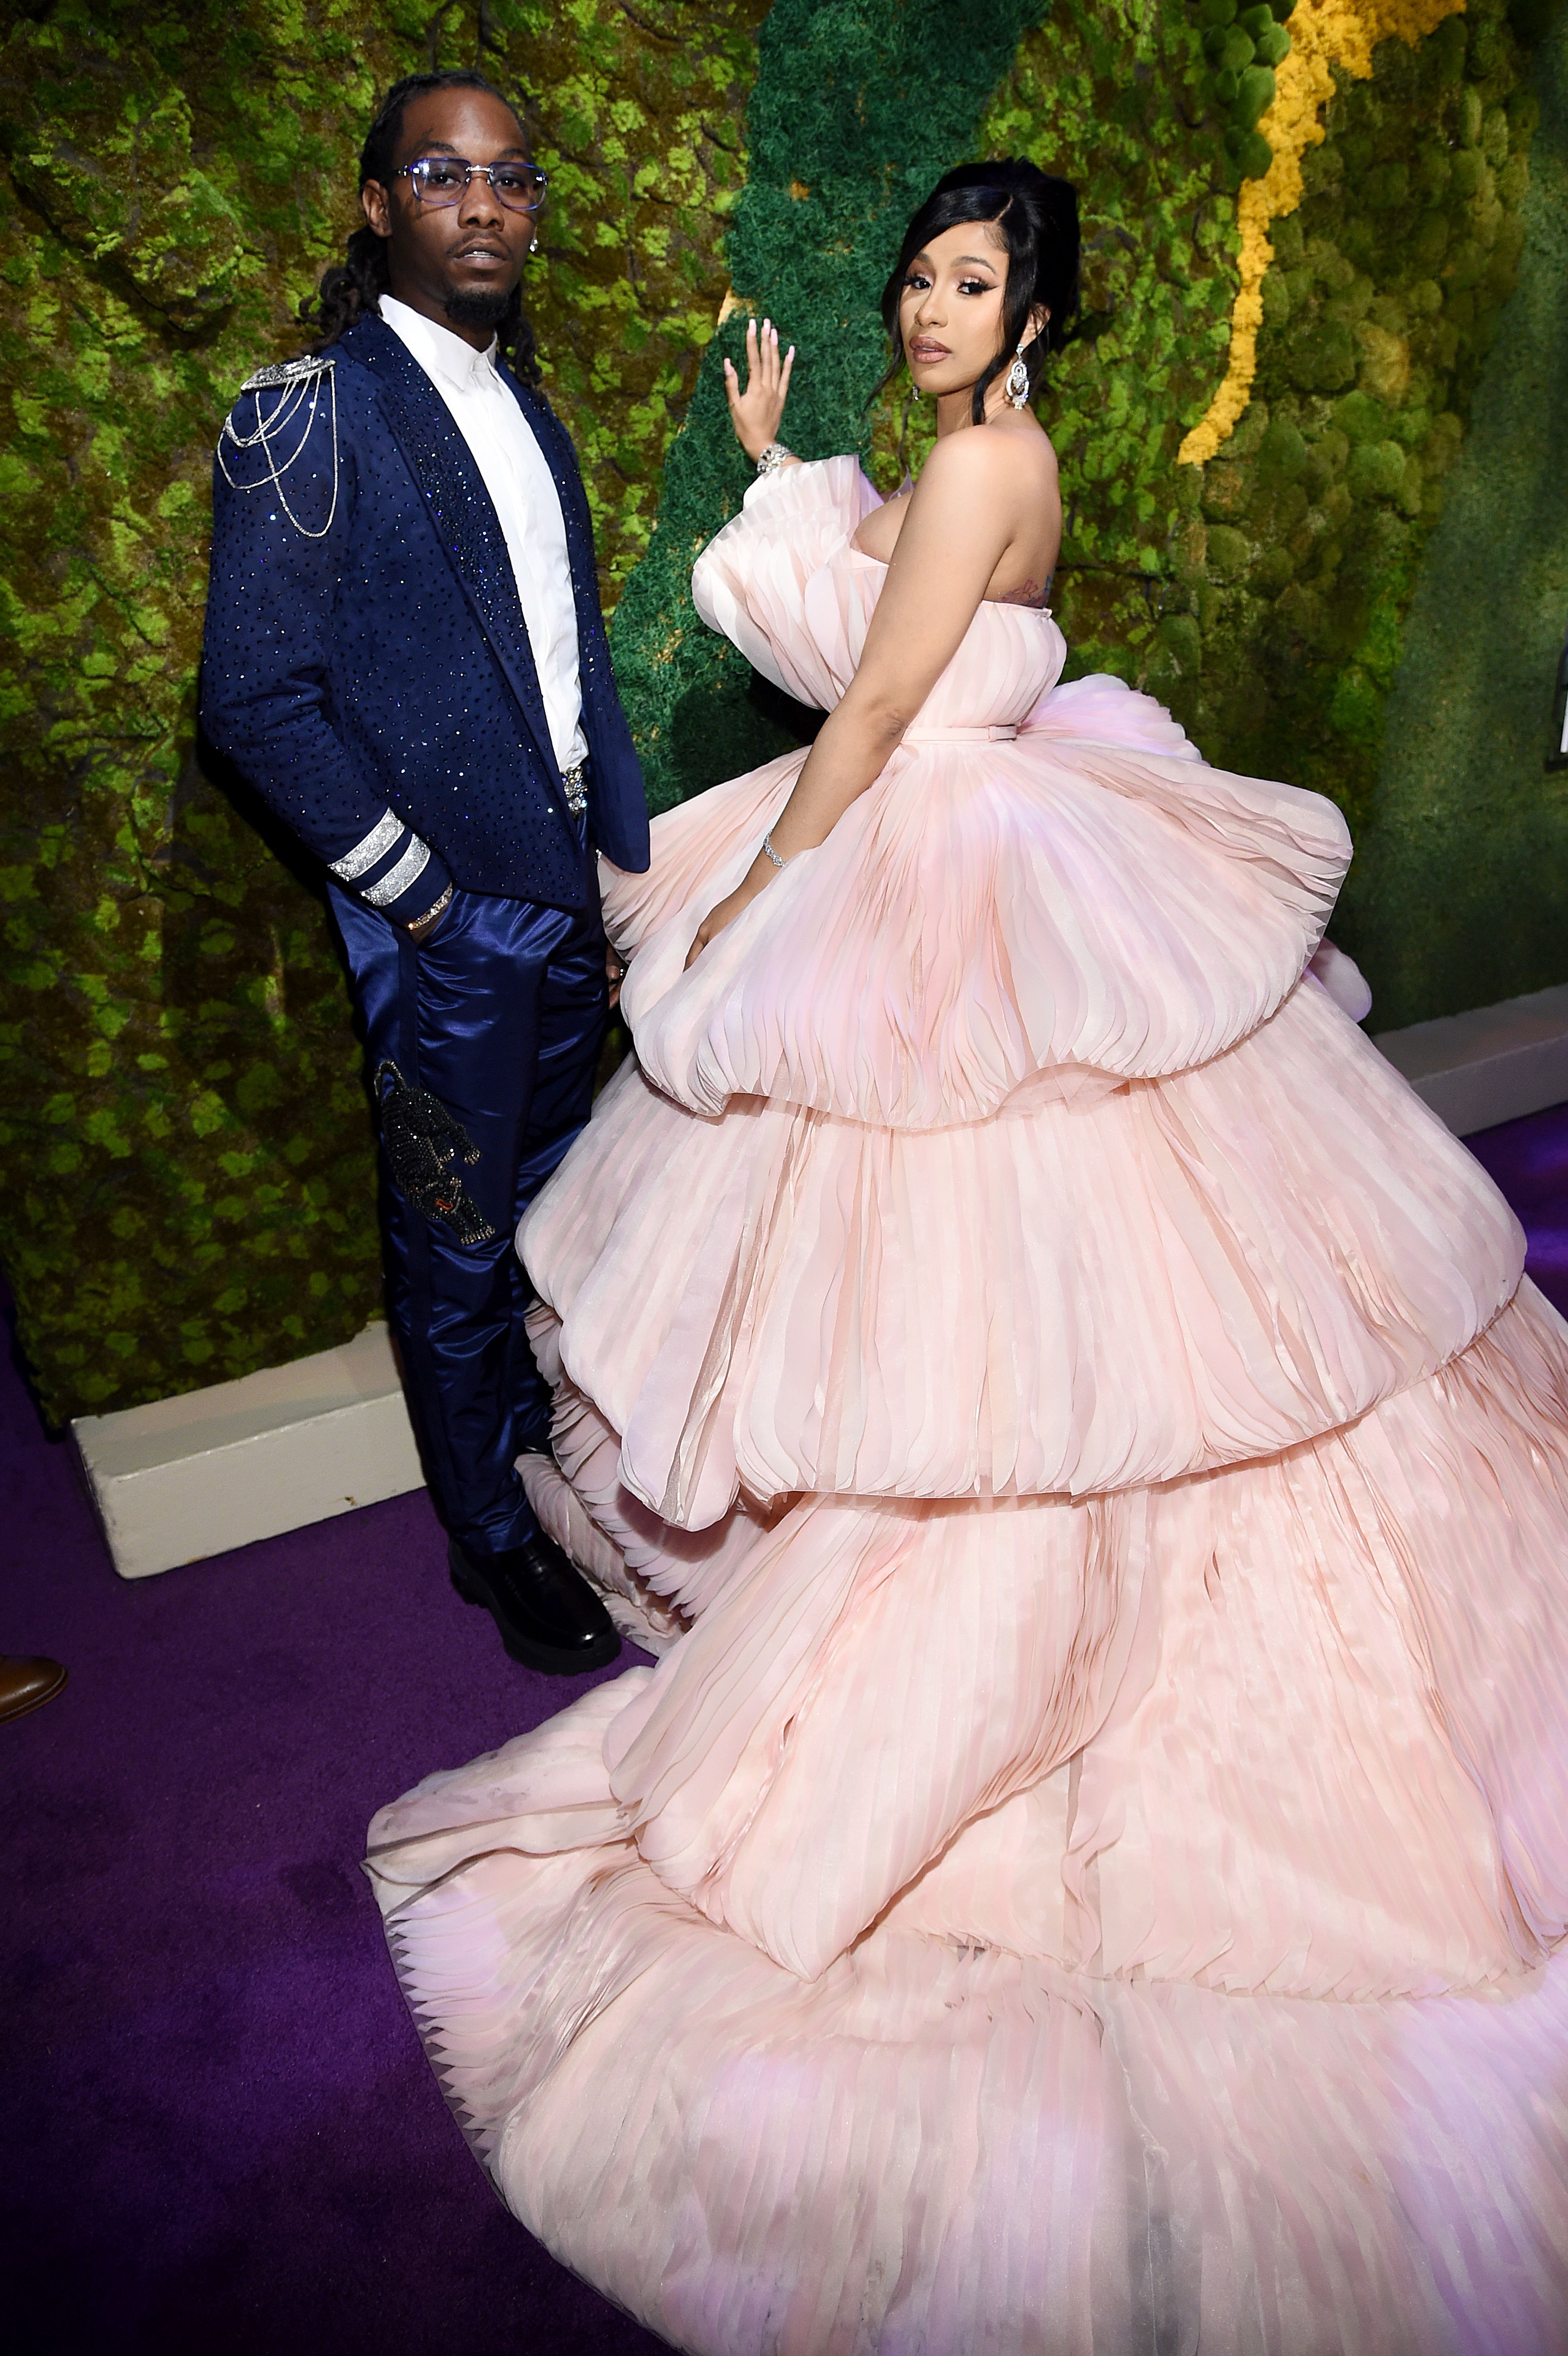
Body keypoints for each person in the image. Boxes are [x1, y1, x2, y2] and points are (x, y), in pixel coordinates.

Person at [366, 162, 1568, 2351]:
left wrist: (746, 915)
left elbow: (863, 712)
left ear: (1032, 310)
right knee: (1117, 1299)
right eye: (915, 273)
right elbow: (909, 622)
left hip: (939, 860)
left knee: (992, 1320)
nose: (924, 308)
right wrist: (777, 470)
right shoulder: (995, 457)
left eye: (967, 284)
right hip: (1017, 832)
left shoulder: (975, 464)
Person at [201, 71, 649, 1676]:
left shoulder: (526, 407)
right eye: (445, 173)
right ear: (382, 203)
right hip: (449, 932)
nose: (487, 201)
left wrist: (617, 865)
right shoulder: (299, 414)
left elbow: (564, 665)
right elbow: (251, 697)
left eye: (514, 175)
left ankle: (556, 1469)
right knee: (455, 1247)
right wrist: (423, 899)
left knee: (549, 1222)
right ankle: (495, 1536)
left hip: (566, 911)